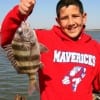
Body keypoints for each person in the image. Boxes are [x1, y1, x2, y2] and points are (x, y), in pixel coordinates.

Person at [1, 0, 100, 100]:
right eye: (64, 18)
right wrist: (19, 13)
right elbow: (7, 39)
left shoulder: (96, 48)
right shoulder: (44, 38)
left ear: (84, 17)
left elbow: (97, 85)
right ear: (58, 21)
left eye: (75, 16)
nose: (71, 22)